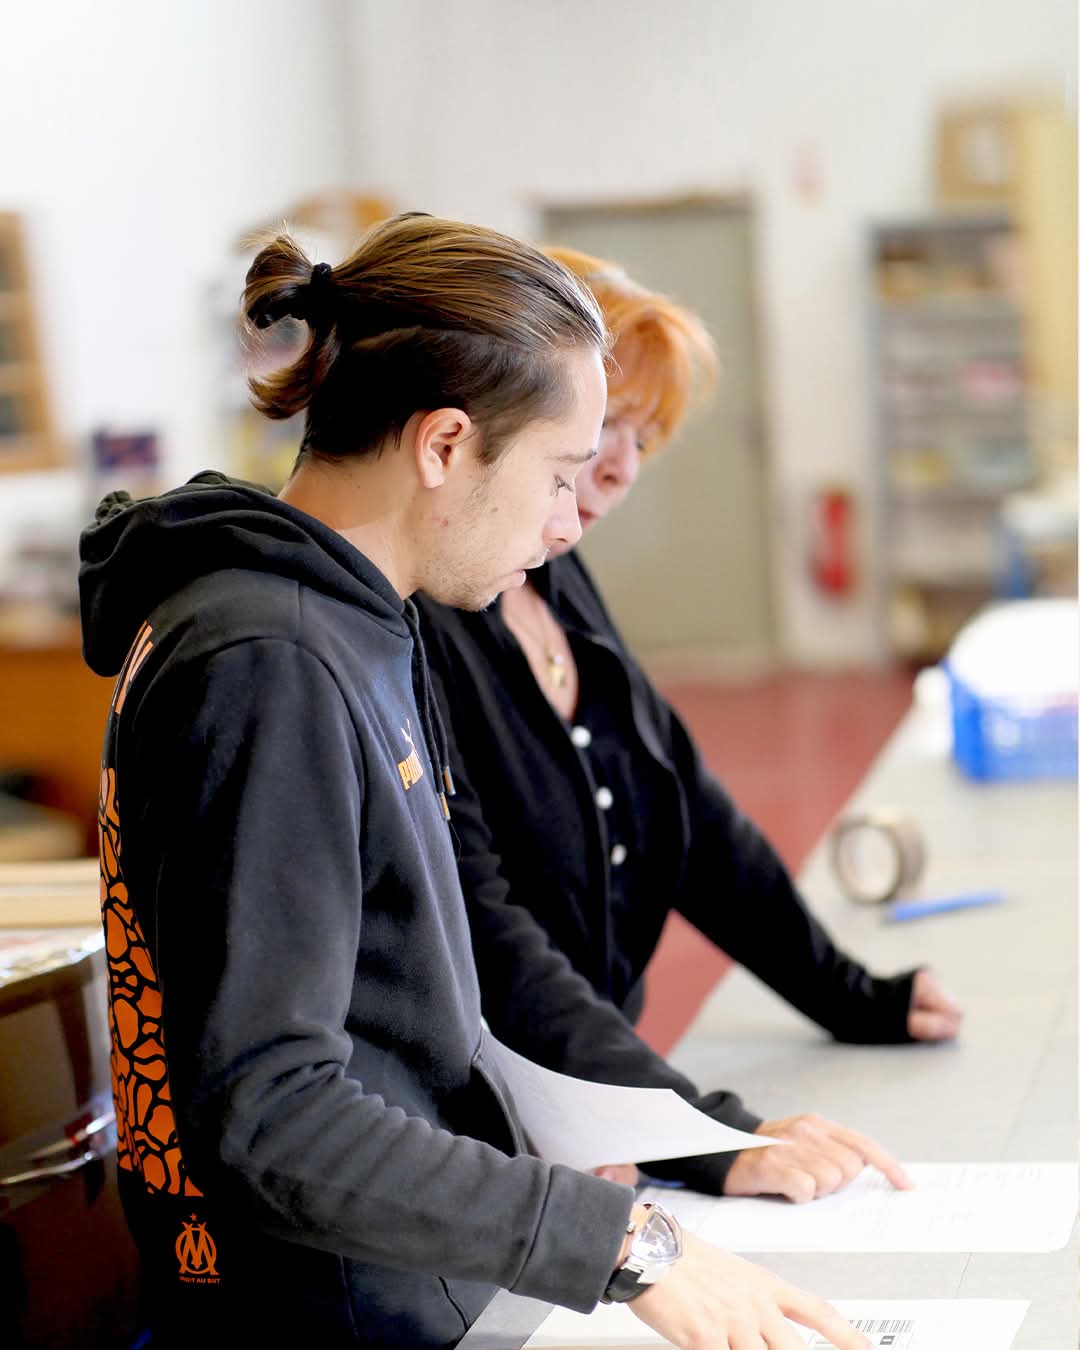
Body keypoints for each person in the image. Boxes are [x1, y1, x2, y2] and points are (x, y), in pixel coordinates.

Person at [79, 215, 874, 1350]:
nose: (565, 524)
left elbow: (413, 990)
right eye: (558, 474)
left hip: (412, 1275)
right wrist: (618, 1242)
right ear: (445, 445)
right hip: (327, 1319)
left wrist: (612, 1145)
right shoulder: (271, 660)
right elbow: (272, 1112)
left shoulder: (360, 621)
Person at [415, 245, 963, 1199]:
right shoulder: (429, 618)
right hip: (500, 1127)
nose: (619, 469)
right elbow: (481, 930)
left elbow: (689, 815)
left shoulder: (553, 577)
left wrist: (849, 995)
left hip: (595, 1096)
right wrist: (698, 1132)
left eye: (643, 439)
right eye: (601, 431)